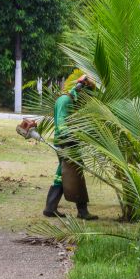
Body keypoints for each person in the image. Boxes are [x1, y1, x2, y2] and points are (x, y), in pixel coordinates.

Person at [42, 75, 98, 221]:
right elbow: (61, 123)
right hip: (66, 142)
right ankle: (82, 211)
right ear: (81, 91)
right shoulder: (66, 100)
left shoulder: (71, 100)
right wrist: (71, 136)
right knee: (75, 173)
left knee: (63, 173)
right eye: (88, 96)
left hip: (68, 141)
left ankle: (50, 207)